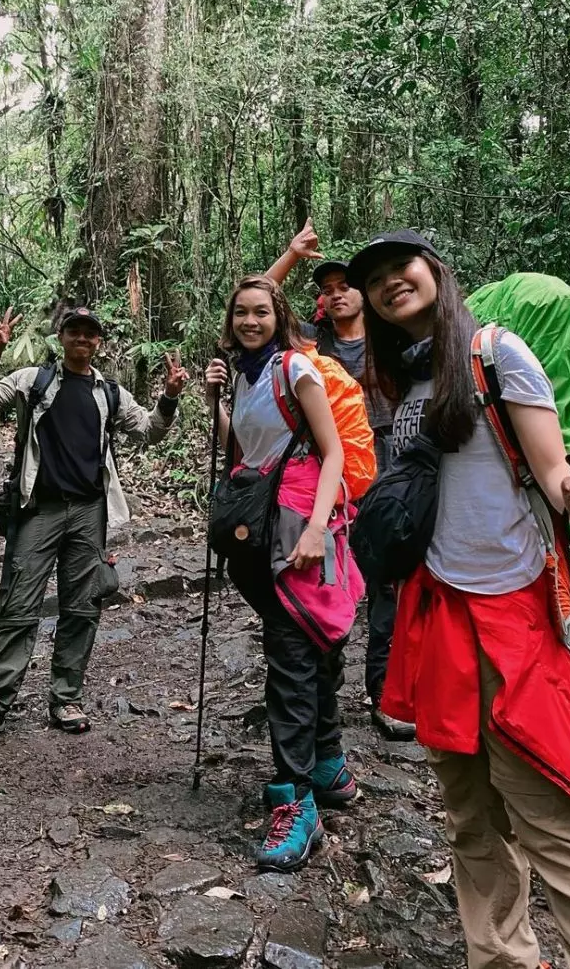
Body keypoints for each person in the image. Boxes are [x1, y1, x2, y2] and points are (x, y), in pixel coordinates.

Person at [349, 229, 570, 969]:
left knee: (558, 824)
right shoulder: (403, 378)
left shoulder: (495, 352)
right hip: (437, 613)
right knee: (472, 824)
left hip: (512, 616)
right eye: (378, 279)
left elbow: (553, 475)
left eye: (403, 268)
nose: (392, 283)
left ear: (435, 271)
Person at [0, 306, 188, 744]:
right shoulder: (32, 381)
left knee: (81, 607)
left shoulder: (109, 392)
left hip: (88, 512)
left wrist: (170, 397)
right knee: (18, 606)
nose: (82, 339)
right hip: (38, 509)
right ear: (60, 337)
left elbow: (149, 430)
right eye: (74, 332)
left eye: (90, 333)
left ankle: (67, 696)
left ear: (98, 342)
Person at [205, 274, 356, 873]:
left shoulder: (296, 369)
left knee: (293, 653)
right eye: (241, 313)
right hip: (259, 530)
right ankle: (327, 760)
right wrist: (215, 403)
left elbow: (333, 450)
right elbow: (243, 450)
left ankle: (296, 799)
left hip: (299, 527)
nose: (250, 321)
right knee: (306, 642)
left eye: (261, 312)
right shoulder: (244, 377)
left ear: (279, 315)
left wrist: (319, 528)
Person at [267, 219, 413, 741]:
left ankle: (385, 691)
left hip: (395, 464)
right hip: (333, 473)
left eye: (343, 286)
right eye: (325, 291)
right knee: (330, 580)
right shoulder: (311, 345)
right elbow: (258, 307)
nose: (335, 296)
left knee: (387, 583)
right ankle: (322, 688)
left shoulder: (393, 338)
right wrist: (289, 254)